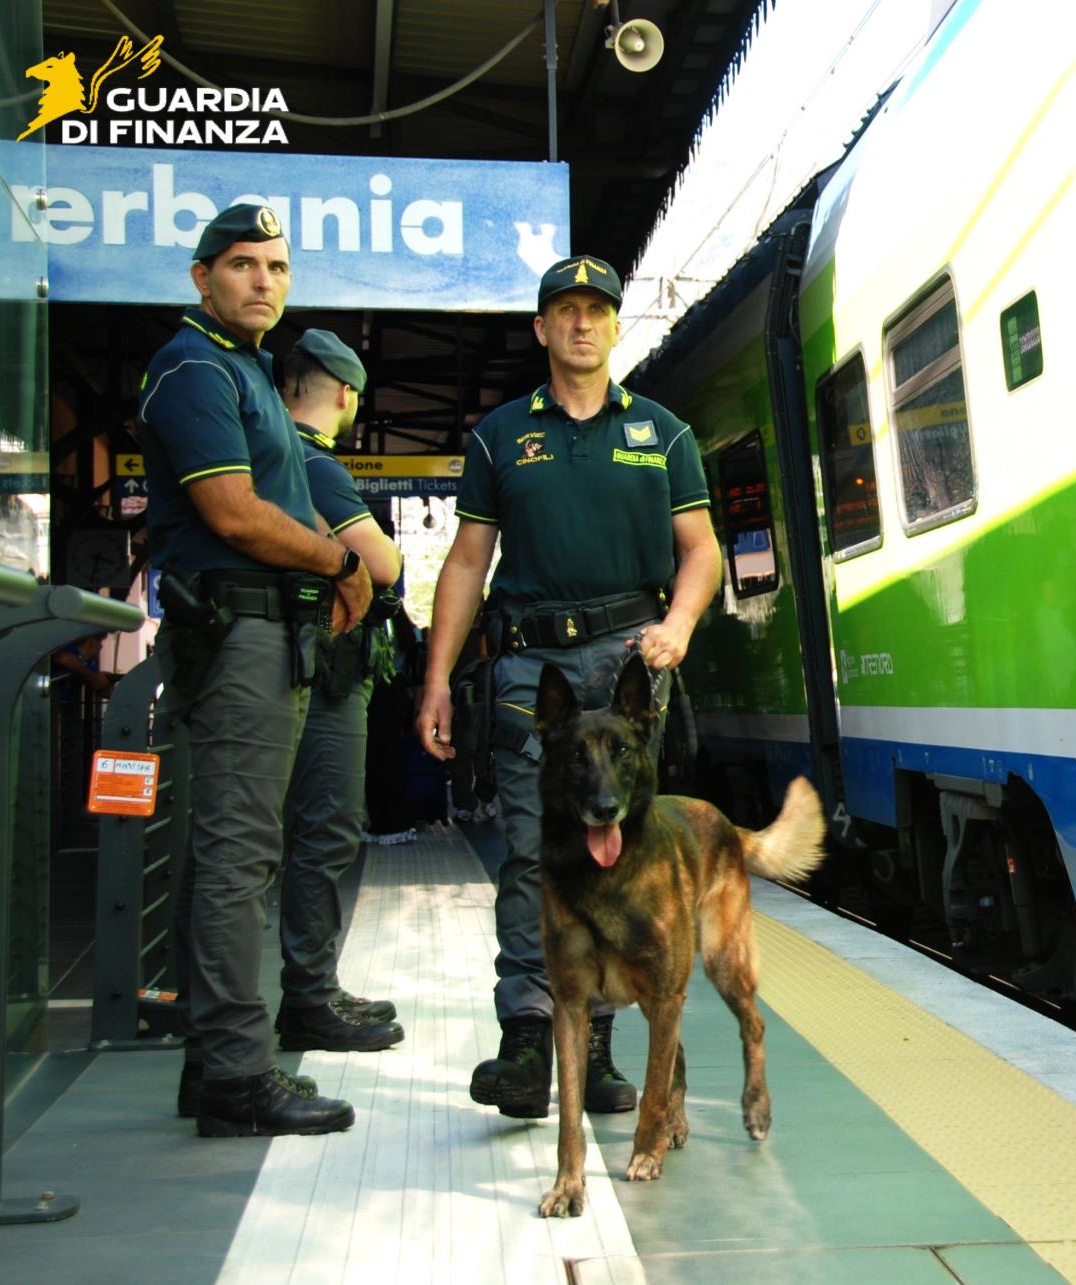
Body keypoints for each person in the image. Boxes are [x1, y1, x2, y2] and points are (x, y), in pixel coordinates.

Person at [415, 256, 720, 1119]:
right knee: (529, 854)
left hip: (630, 669)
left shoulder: (663, 433)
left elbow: (699, 550)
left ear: (616, 326)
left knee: (624, 862)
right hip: (532, 675)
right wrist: (438, 677)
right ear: (541, 329)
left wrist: (682, 624)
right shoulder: (501, 435)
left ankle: (597, 1045)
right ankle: (525, 1043)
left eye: (598, 310)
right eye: (565, 311)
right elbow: (468, 561)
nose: (582, 324)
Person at [140, 203, 370, 1137]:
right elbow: (233, 513)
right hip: (234, 632)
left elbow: (275, 498)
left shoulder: (244, 371)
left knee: (241, 849)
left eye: (276, 266)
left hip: (265, 633)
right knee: (240, 854)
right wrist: (340, 563)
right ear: (203, 277)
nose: (262, 281)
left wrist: (328, 568)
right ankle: (236, 1073)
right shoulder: (193, 365)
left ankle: (215, 1063)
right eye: (241, 265)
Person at [274, 329, 406, 1053]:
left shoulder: (271, 454)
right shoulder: (314, 463)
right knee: (326, 829)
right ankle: (309, 996)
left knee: (300, 833)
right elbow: (381, 563)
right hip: (325, 676)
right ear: (346, 394)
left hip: (301, 664)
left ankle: (312, 986)